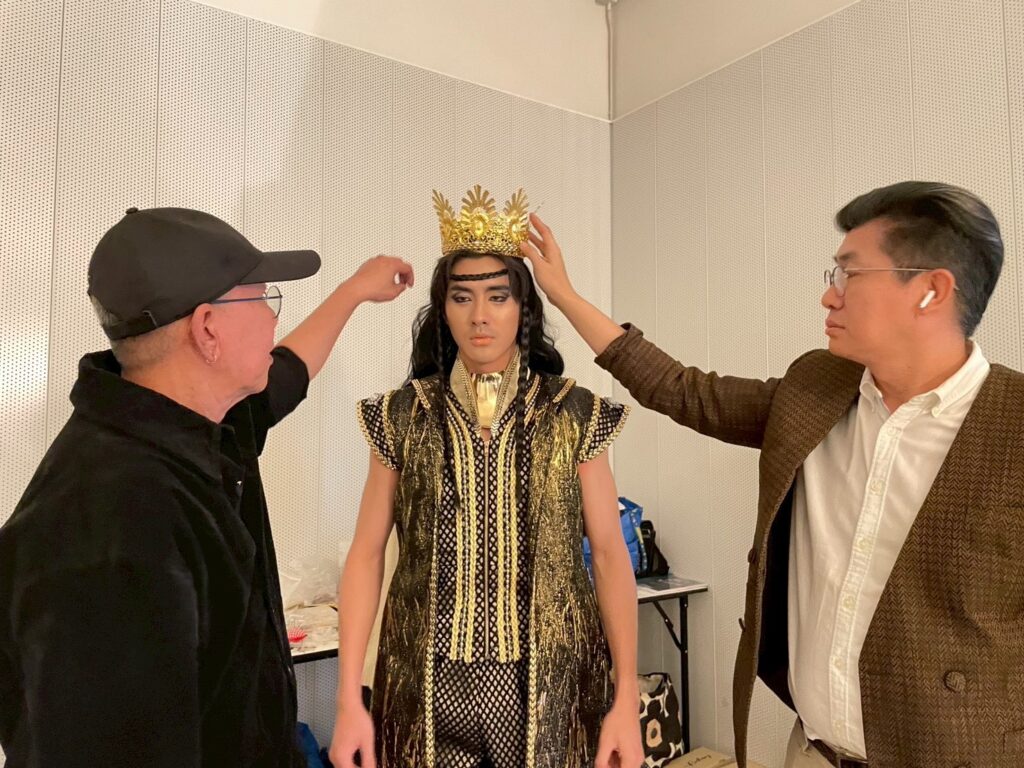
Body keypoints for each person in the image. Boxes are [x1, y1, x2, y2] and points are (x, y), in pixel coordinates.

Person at [520, 181, 1024, 768]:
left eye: (849, 274)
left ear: (931, 290)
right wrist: (564, 295)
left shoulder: (1012, 425)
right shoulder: (817, 388)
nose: (829, 296)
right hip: (810, 750)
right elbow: (684, 391)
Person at [0, 207, 413, 767]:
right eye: (264, 299)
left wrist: (353, 292)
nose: (272, 322)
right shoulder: (109, 532)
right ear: (208, 328)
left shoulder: (195, 420)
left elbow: (287, 372)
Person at [329, 186, 643, 768]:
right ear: (442, 309)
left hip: (551, 685)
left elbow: (607, 553)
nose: (480, 315)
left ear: (523, 308)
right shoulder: (401, 416)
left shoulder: (573, 413)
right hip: (425, 686)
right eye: (462, 297)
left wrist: (627, 695)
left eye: (498, 296)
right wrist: (349, 697)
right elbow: (367, 554)